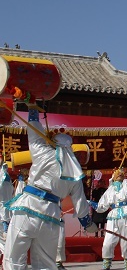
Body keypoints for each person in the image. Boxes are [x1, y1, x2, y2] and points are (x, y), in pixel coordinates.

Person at [4, 104, 97, 269]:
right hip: (50, 217)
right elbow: (80, 203)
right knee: (45, 263)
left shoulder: (43, 153)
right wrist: (87, 224)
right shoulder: (75, 174)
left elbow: (34, 132)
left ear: (52, 143)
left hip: (28, 209)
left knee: (14, 259)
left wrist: (33, 110)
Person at [95, 146, 127, 270]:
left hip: (126, 214)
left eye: (121, 173)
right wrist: (90, 203)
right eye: (117, 173)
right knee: (108, 241)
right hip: (113, 216)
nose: (119, 174)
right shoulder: (109, 190)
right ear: (113, 177)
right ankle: (107, 263)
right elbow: (101, 206)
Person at [0, 157, 13, 239]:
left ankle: (6, 229)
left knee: (4, 206)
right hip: (5, 189)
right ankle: (6, 228)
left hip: (5, 190)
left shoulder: (4, 174)